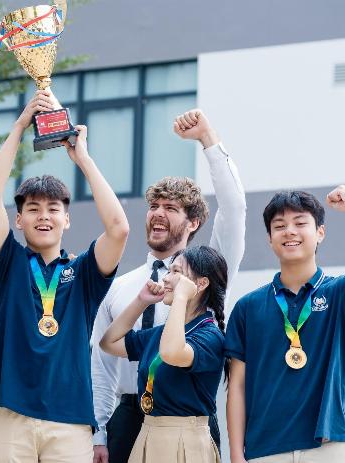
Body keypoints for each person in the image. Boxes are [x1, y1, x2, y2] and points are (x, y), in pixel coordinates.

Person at [0, 90, 130, 461]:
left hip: (70, 419)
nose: (43, 216)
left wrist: (84, 160)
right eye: (33, 209)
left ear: (67, 218)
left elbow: (119, 229)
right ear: (19, 219)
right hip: (10, 413)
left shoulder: (83, 273)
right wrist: (19, 126)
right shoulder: (8, 262)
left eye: (53, 209)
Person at [91, 109, 246, 463]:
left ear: (193, 222)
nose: (157, 213)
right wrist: (99, 429)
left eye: (170, 208)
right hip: (129, 415)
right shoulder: (121, 286)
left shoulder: (208, 273)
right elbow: (102, 359)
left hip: (187, 420)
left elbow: (234, 209)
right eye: (153, 206)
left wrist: (208, 140)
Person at [225, 187, 345, 463]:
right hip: (264, 450)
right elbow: (238, 385)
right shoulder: (248, 306)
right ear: (270, 239)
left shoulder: (338, 292)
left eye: (300, 223)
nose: (290, 231)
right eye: (279, 226)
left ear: (320, 232)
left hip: (330, 447)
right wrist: (236, 454)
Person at [100, 246, 228, 462]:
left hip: (186, 439)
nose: (167, 278)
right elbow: (109, 342)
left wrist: (180, 297)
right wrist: (141, 301)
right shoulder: (161, 333)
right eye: (169, 271)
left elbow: (171, 353)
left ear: (201, 284)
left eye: (176, 272)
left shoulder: (210, 335)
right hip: (148, 432)